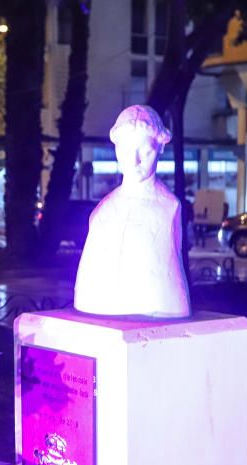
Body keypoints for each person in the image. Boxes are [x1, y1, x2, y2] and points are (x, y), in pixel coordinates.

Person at [73, 104, 190, 318]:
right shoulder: (103, 212)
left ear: (160, 148)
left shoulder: (168, 207)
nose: (134, 161)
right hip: (99, 309)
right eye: (126, 151)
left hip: (158, 311)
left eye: (145, 151)